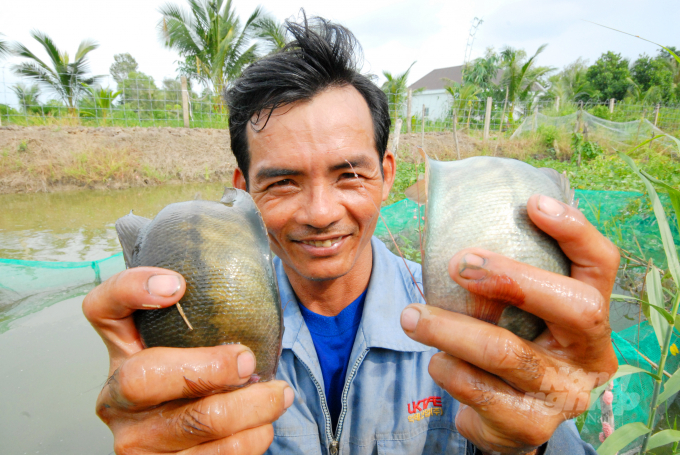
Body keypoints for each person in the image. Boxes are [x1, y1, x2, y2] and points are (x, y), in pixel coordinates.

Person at [83, 16, 619, 455]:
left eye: (350, 175)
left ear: (387, 175)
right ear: (243, 191)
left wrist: (531, 441)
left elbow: (542, 428)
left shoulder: (469, 314)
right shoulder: (204, 333)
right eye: (283, 182)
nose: (320, 212)